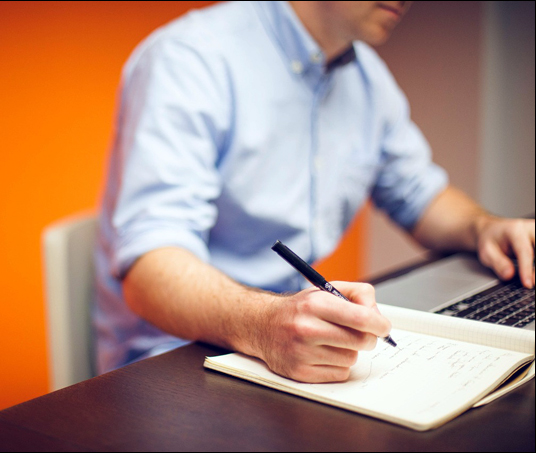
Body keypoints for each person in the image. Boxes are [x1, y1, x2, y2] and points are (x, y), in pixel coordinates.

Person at [93, 1, 535, 381]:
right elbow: (149, 272)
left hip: (286, 342)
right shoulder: (189, 59)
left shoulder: (366, 78)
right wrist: (265, 325)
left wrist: (483, 228)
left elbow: (418, 193)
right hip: (173, 363)